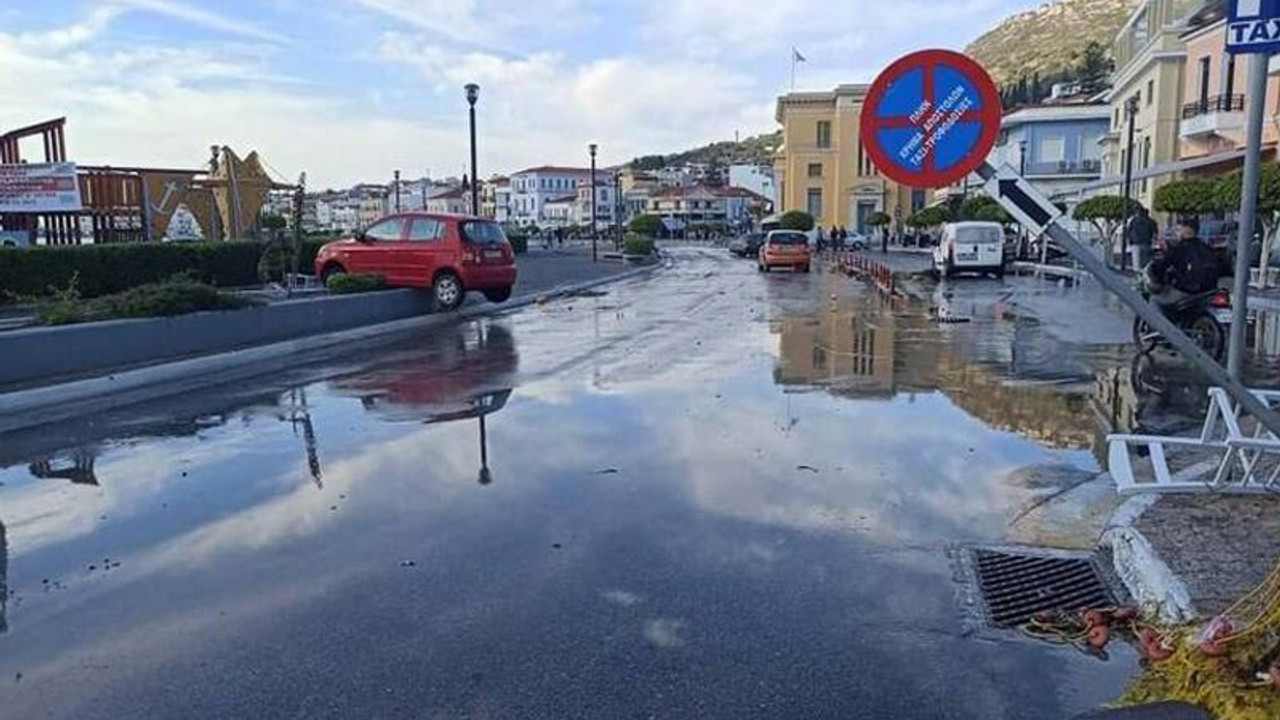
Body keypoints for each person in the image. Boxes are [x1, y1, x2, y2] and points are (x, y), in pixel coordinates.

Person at [1145, 217, 1219, 307]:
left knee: (1155, 300)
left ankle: (1157, 321)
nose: (1178, 232)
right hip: (1208, 291)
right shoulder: (1206, 248)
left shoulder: (1181, 248)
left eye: (1180, 229)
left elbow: (1164, 264)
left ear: (1185, 230)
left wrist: (1156, 273)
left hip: (1187, 291)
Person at [1126, 206, 1158, 272]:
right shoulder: (1151, 221)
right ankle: (1144, 278)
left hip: (1136, 244)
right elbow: (1155, 233)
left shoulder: (1134, 221)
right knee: (1145, 265)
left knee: (1136, 266)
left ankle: (1138, 278)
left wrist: (1130, 241)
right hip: (1146, 244)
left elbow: (1129, 232)